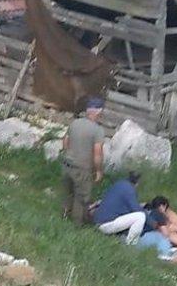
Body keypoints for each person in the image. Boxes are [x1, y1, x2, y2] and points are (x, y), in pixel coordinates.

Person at [61, 96, 107, 225]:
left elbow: (65, 141)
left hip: (67, 164)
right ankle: (76, 225)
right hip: (82, 169)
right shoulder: (98, 130)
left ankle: (64, 216)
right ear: (98, 112)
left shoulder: (75, 123)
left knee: (68, 193)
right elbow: (97, 153)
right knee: (81, 198)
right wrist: (98, 170)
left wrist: (68, 153)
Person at [94, 172, 148, 244]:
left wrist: (140, 205)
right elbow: (136, 209)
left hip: (99, 222)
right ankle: (131, 244)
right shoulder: (130, 189)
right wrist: (154, 223)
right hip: (107, 224)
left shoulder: (118, 185)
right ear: (137, 183)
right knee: (141, 216)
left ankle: (119, 238)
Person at [136, 196, 177, 261]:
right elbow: (166, 234)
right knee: (162, 237)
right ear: (163, 206)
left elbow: (141, 204)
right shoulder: (158, 214)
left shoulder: (146, 209)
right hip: (142, 238)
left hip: (133, 236)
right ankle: (165, 254)